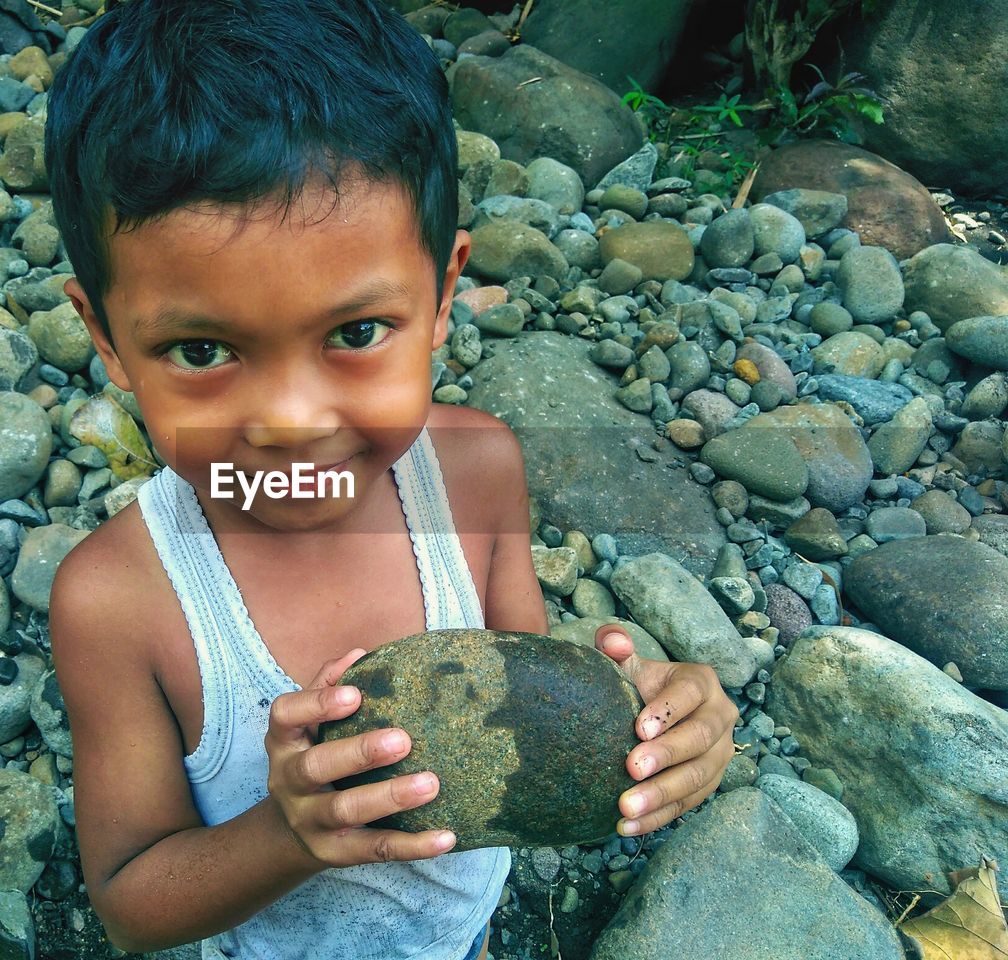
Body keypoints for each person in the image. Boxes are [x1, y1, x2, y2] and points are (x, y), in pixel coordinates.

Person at [43, 1, 739, 957]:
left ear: (445, 294)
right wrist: (288, 833)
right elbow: (130, 900)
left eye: (356, 333)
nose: (291, 421)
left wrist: (652, 723)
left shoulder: (477, 474)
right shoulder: (120, 601)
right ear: (106, 338)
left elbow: (521, 689)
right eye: (200, 349)